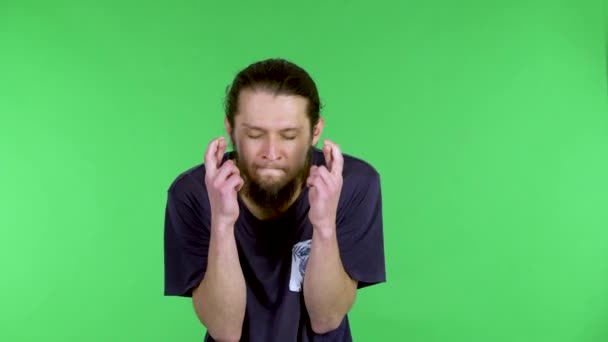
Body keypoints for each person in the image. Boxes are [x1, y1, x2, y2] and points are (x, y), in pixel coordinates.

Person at [163, 58, 386, 342]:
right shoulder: (192, 193)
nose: (271, 152)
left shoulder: (352, 183)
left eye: (289, 136)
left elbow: (326, 318)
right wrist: (222, 223)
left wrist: (324, 226)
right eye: (255, 134)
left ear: (315, 131)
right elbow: (224, 330)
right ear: (230, 129)